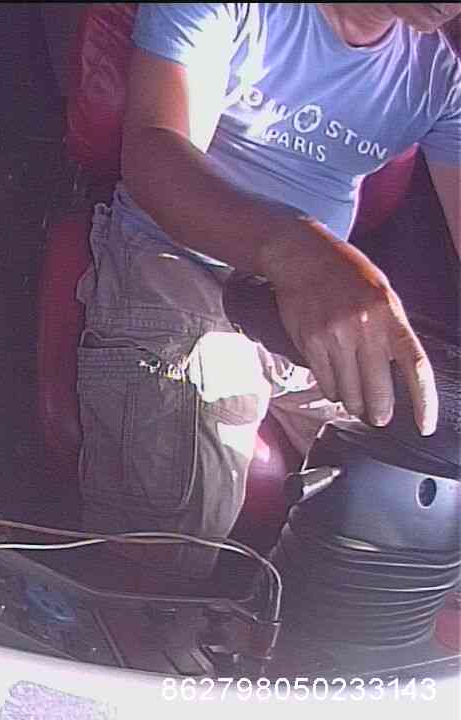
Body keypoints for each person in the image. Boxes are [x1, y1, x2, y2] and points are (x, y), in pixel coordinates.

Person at [75, 3, 461, 580]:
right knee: (169, 537)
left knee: (425, 470)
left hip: (309, 309)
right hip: (176, 261)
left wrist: (312, 273)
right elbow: (156, 156)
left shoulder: (437, 75)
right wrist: (299, 253)